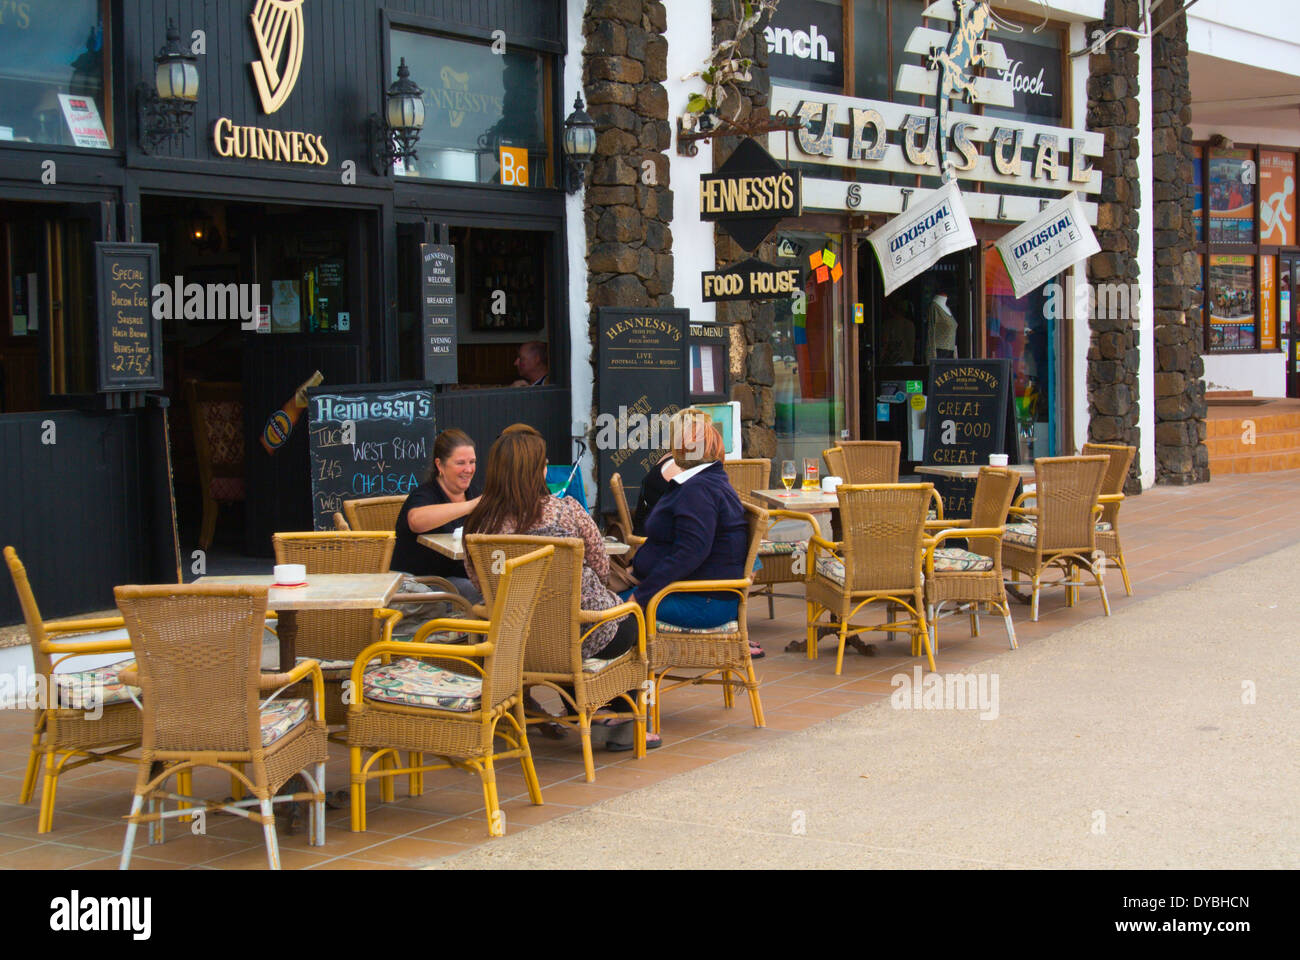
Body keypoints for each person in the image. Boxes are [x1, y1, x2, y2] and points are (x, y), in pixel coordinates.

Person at [464, 430, 657, 748]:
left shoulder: (479, 524)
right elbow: (602, 568)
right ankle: (626, 720)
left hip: (513, 642)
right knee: (631, 620)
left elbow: (479, 581)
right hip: (579, 634)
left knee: (570, 629)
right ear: (537, 470)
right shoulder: (567, 512)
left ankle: (586, 709)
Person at [630, 410, 753, 633]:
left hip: (703, 602)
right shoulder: (703, 482)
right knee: (605, 602)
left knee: (608, 610)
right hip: (695, 594)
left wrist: (641, 595)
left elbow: (692, 551)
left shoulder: (698, 490)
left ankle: (619, 666)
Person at [390, 428, 482, 603]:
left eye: (472, 461)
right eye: (460, 463)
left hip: (459, 575)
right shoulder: (425, 495)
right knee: (483, 594)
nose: (469, 469)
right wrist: (471, 506)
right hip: (422, 584)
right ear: (440, 465)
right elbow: (416, 521)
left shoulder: (473, 492)